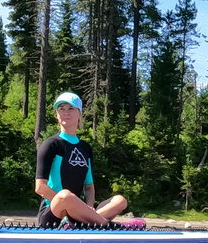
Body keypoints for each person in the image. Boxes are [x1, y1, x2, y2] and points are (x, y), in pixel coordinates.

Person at [33, 92, 139, 227]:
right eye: (61, 109)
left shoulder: (85, 148)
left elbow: (89, 187)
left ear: (79, 114)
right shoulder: (51, 144)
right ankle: (113, 226)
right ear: (57, 115)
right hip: (53, 212)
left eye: (71, 108)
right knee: (65, 195)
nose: (66, 112)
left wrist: (88, 207)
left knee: (120, 200)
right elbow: (40, 187)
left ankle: (80, 222)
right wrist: (72, 206)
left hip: (78, 213)